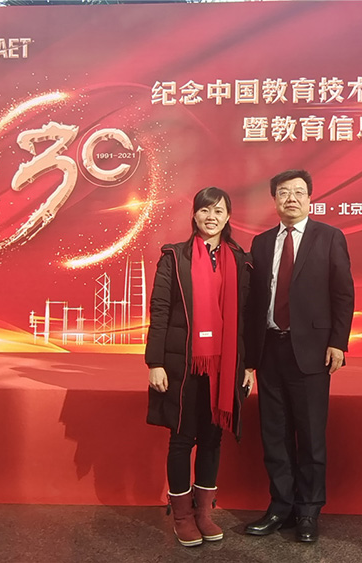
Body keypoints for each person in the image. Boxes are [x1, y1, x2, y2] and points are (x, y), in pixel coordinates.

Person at [244, 169, 355, 543]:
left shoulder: (329, 237)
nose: (290, 198)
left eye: (298, 192)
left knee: (310, 436)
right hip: (270, 349)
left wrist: (338, 342)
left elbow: (343, 293)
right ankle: (281, 507)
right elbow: (254, 303)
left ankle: (308, 511)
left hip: (311, 351)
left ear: (310, 198)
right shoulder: (261, 243)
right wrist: (249, 358)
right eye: (283, 192)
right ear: (274, 200)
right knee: (274, 435)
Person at [145, 187, 254, 548]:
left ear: (228, 217)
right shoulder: (174, 257)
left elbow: (247, 317)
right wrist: (156, 362)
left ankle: (204, 513)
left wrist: (248, 366)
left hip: (225, 365)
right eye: (205, 210)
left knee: (212, 438)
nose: (211, 217)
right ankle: (182, 516)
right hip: (183, 363)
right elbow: (160, 310)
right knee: (181, 439)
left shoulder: (241, 260)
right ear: (194, 215)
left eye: (219, 211)